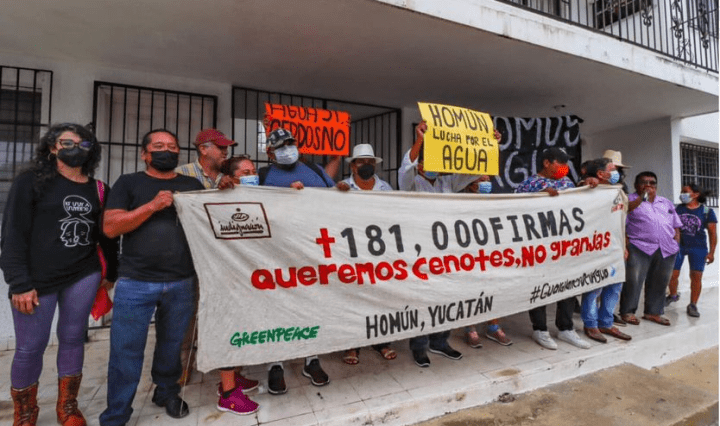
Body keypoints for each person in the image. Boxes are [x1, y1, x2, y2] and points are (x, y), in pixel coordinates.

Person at [1, 123, 117, 426]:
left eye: (83, 144)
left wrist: (111, 272)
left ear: (92, 151)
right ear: (53, 147)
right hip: (36, 280)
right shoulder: (30, 182)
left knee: (72, 339)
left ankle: (67, 407)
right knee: (30, 347)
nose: (75, 148)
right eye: (67, 143)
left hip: (83, 274)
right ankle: (26, 413)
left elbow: (106, 236)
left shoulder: (98, 189)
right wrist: (19, 283)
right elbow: (13, 234)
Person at [99, 129, 205, 425]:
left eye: (172, 146)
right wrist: (152, 206)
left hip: (182, 280)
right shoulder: (128, 183)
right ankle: (117, 412)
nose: (166, 150)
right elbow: (111, 227)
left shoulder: (191, 185)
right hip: (136, 282)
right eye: (158, 146)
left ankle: (166, 391)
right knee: (126, 350)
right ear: (144, 154)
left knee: (171, 345)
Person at [180, 145, 260, 415]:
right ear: (231, 177)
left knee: (242, 326)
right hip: (224, 274)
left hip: (246, 274)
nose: (252, 175)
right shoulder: (219, 196)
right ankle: (228, 393)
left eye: (254, 171)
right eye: (245, 172)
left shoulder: (255, 196)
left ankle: (233, 377)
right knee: (229, 327)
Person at [259, 127, 334, 394]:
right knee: (277, 306)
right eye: (281, 146)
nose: (287, 149)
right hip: (277, 253)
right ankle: (275, 363)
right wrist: (285, 198)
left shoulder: (314, 170)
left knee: (312, 304)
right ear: (270, 152)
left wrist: (342, 190)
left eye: (290, 143)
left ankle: (311, 359)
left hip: (313, 250)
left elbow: (334, 200)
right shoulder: (263, 175)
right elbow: (253, 207)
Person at [398, 121, 478, 367]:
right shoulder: (410, 183)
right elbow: (405, 168)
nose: (435, 167)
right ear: (421, 165)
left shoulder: (447, 182)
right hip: (421, 249)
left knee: (446, 295)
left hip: (447, 248)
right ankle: (419, 346)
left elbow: (472, 172)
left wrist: (490, 145)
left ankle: (440, 341)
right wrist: (420, 139)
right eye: (429, 162)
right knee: (423, 299)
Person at [515, 147, 591, 350]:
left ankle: (566, 328)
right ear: (547, 163)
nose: (564, 167)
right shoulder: (529, 184)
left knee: (568, 285)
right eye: (560, 163)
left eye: (566, 164)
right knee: (539, 286)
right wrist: (538, 196)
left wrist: (589, 187)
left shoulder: (567, 183)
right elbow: (515, 209)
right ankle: (540, 329)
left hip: (565, 245)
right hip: (539, 247)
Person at [337, 144, 397, 364]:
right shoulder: (342, 188)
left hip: (380, 252)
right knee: (353, 298)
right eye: (362, 162)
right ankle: (352, 344)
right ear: (353, 166)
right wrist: (337, 196)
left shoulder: (385, 188)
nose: (366, 165)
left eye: (370, 162)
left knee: (380, 296)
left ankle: (381, 341)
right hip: (352, 252)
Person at [618, 171, 682, 327]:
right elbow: (622, 220)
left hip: (666, 248)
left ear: (656, 185)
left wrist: (676, 242)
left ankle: (653, 312)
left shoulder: (665, 202)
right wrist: (642, 198)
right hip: (639, 247)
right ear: (636, 185)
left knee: (660, 281)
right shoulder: (629, 200)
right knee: (633, 281)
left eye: (652, 183)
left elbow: (676, 224)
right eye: (643, 182)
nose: (648, 185)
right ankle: (627, 312)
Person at [578, 158, 631, 343]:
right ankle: (590, 324)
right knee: (594, 288)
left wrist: (624, 246)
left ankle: (606, 323)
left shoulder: (618, 191)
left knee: (614, 287)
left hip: (616, 247)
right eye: (612, 169)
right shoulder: (588, 189)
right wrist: (585, 183)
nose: (617, 173)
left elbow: (621, 221)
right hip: (595, 248)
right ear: (600, 174)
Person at [461, 176, 513, 348]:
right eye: (481, 181)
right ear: (471, 185)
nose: (486, 184)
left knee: (493, 288)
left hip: (491, 253)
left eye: (488, 180)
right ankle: (470, 328)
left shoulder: (494, 201)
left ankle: (493, 327)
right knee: (471, 290)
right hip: (469, 254)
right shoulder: (460, 202)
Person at [666, 184, 717, 317]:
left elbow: (712, 233)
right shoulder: (678, 209)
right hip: (679, 246)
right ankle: (673, 295)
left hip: (698, 248)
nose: (682, 194)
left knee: (696, 277)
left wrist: (712, 253)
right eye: (682, 191)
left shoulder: (707, 211)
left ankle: (693, 304)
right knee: (672, 274)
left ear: (696, 194)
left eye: (685, 192)